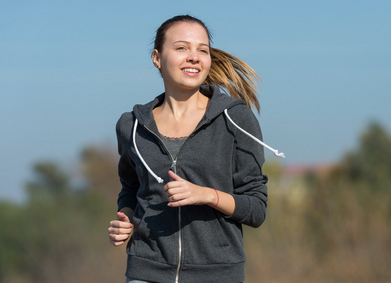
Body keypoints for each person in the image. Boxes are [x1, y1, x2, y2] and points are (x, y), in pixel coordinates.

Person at [108, 15, 284, 283]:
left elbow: (256, 209)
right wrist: (126, 219)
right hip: (146, 272)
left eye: (202, 50)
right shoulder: (131, 125)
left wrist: (206, 195)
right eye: (181, 48)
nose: (194, 56)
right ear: (157, 58)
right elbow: (131, 189)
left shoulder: (236, 120)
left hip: (217, 274)